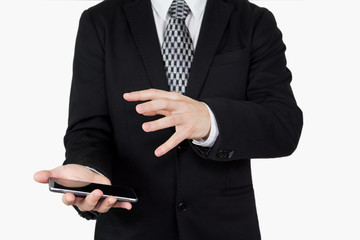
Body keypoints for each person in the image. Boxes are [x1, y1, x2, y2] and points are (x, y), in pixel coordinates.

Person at [34, 0, 303, 239]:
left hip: (225, 227)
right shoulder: (100, 21)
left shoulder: (254, 21)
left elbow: (283, 124)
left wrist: (210, 119)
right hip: (130, 227)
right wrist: (89, 170)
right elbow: (89, 127)